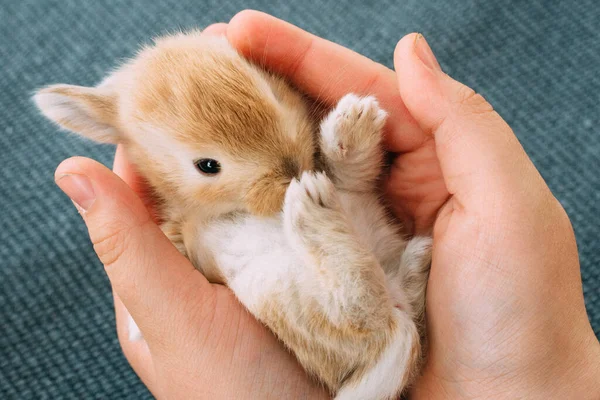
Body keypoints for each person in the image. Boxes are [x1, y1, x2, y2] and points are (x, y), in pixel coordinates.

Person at [53, 10, 600, 399]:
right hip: (335, 318)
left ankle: (384, 302)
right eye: (209, 166)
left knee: (344, 199)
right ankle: (365, 308)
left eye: (272, 104)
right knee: (273, 267)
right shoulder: (200, 225)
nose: (286, 164)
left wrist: (347, 157)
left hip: (384, 293)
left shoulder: (299, 162)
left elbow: (352, 193)